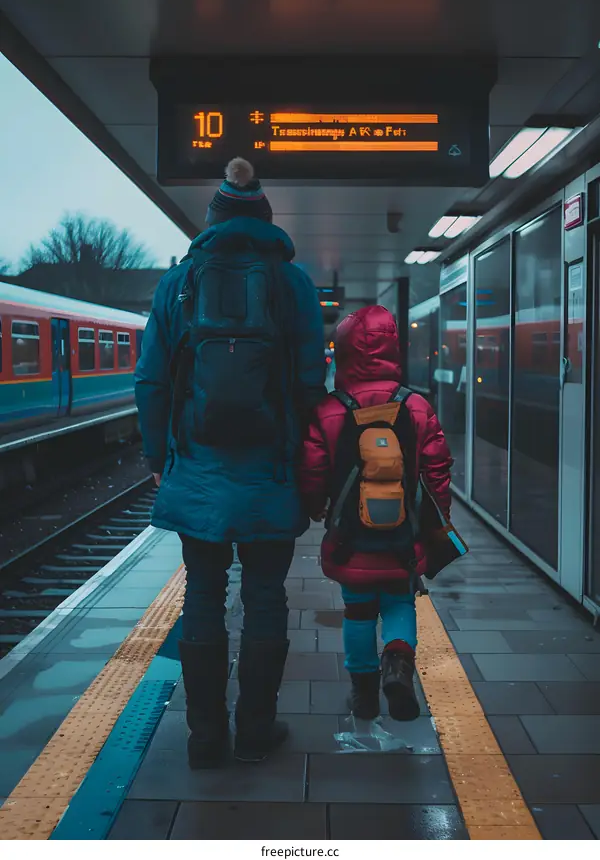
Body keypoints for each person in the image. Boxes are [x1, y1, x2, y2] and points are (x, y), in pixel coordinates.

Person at [135, 158, 326, 767]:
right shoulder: (291, 282)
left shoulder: (180, 282)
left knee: (204, 593)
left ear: (211, 220)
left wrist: (158, 455)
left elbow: (151, 381)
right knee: (266, 595)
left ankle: (205, 736)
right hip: (270, 469)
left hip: (197, 466)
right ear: (266, 218)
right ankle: (257, 728)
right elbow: (308, 380)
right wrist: (306, 458)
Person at [300, 305, 452, 721]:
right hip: (405, 537)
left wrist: (316, 509)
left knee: (359, 610)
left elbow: (312, 472)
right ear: (394, 350)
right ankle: (398, 667)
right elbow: (438, 470)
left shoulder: (330, 410)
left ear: (346, 352)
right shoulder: (417, 406)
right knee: (401, 603)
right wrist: (440, 517)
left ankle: (363, 693)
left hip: (351, 539)